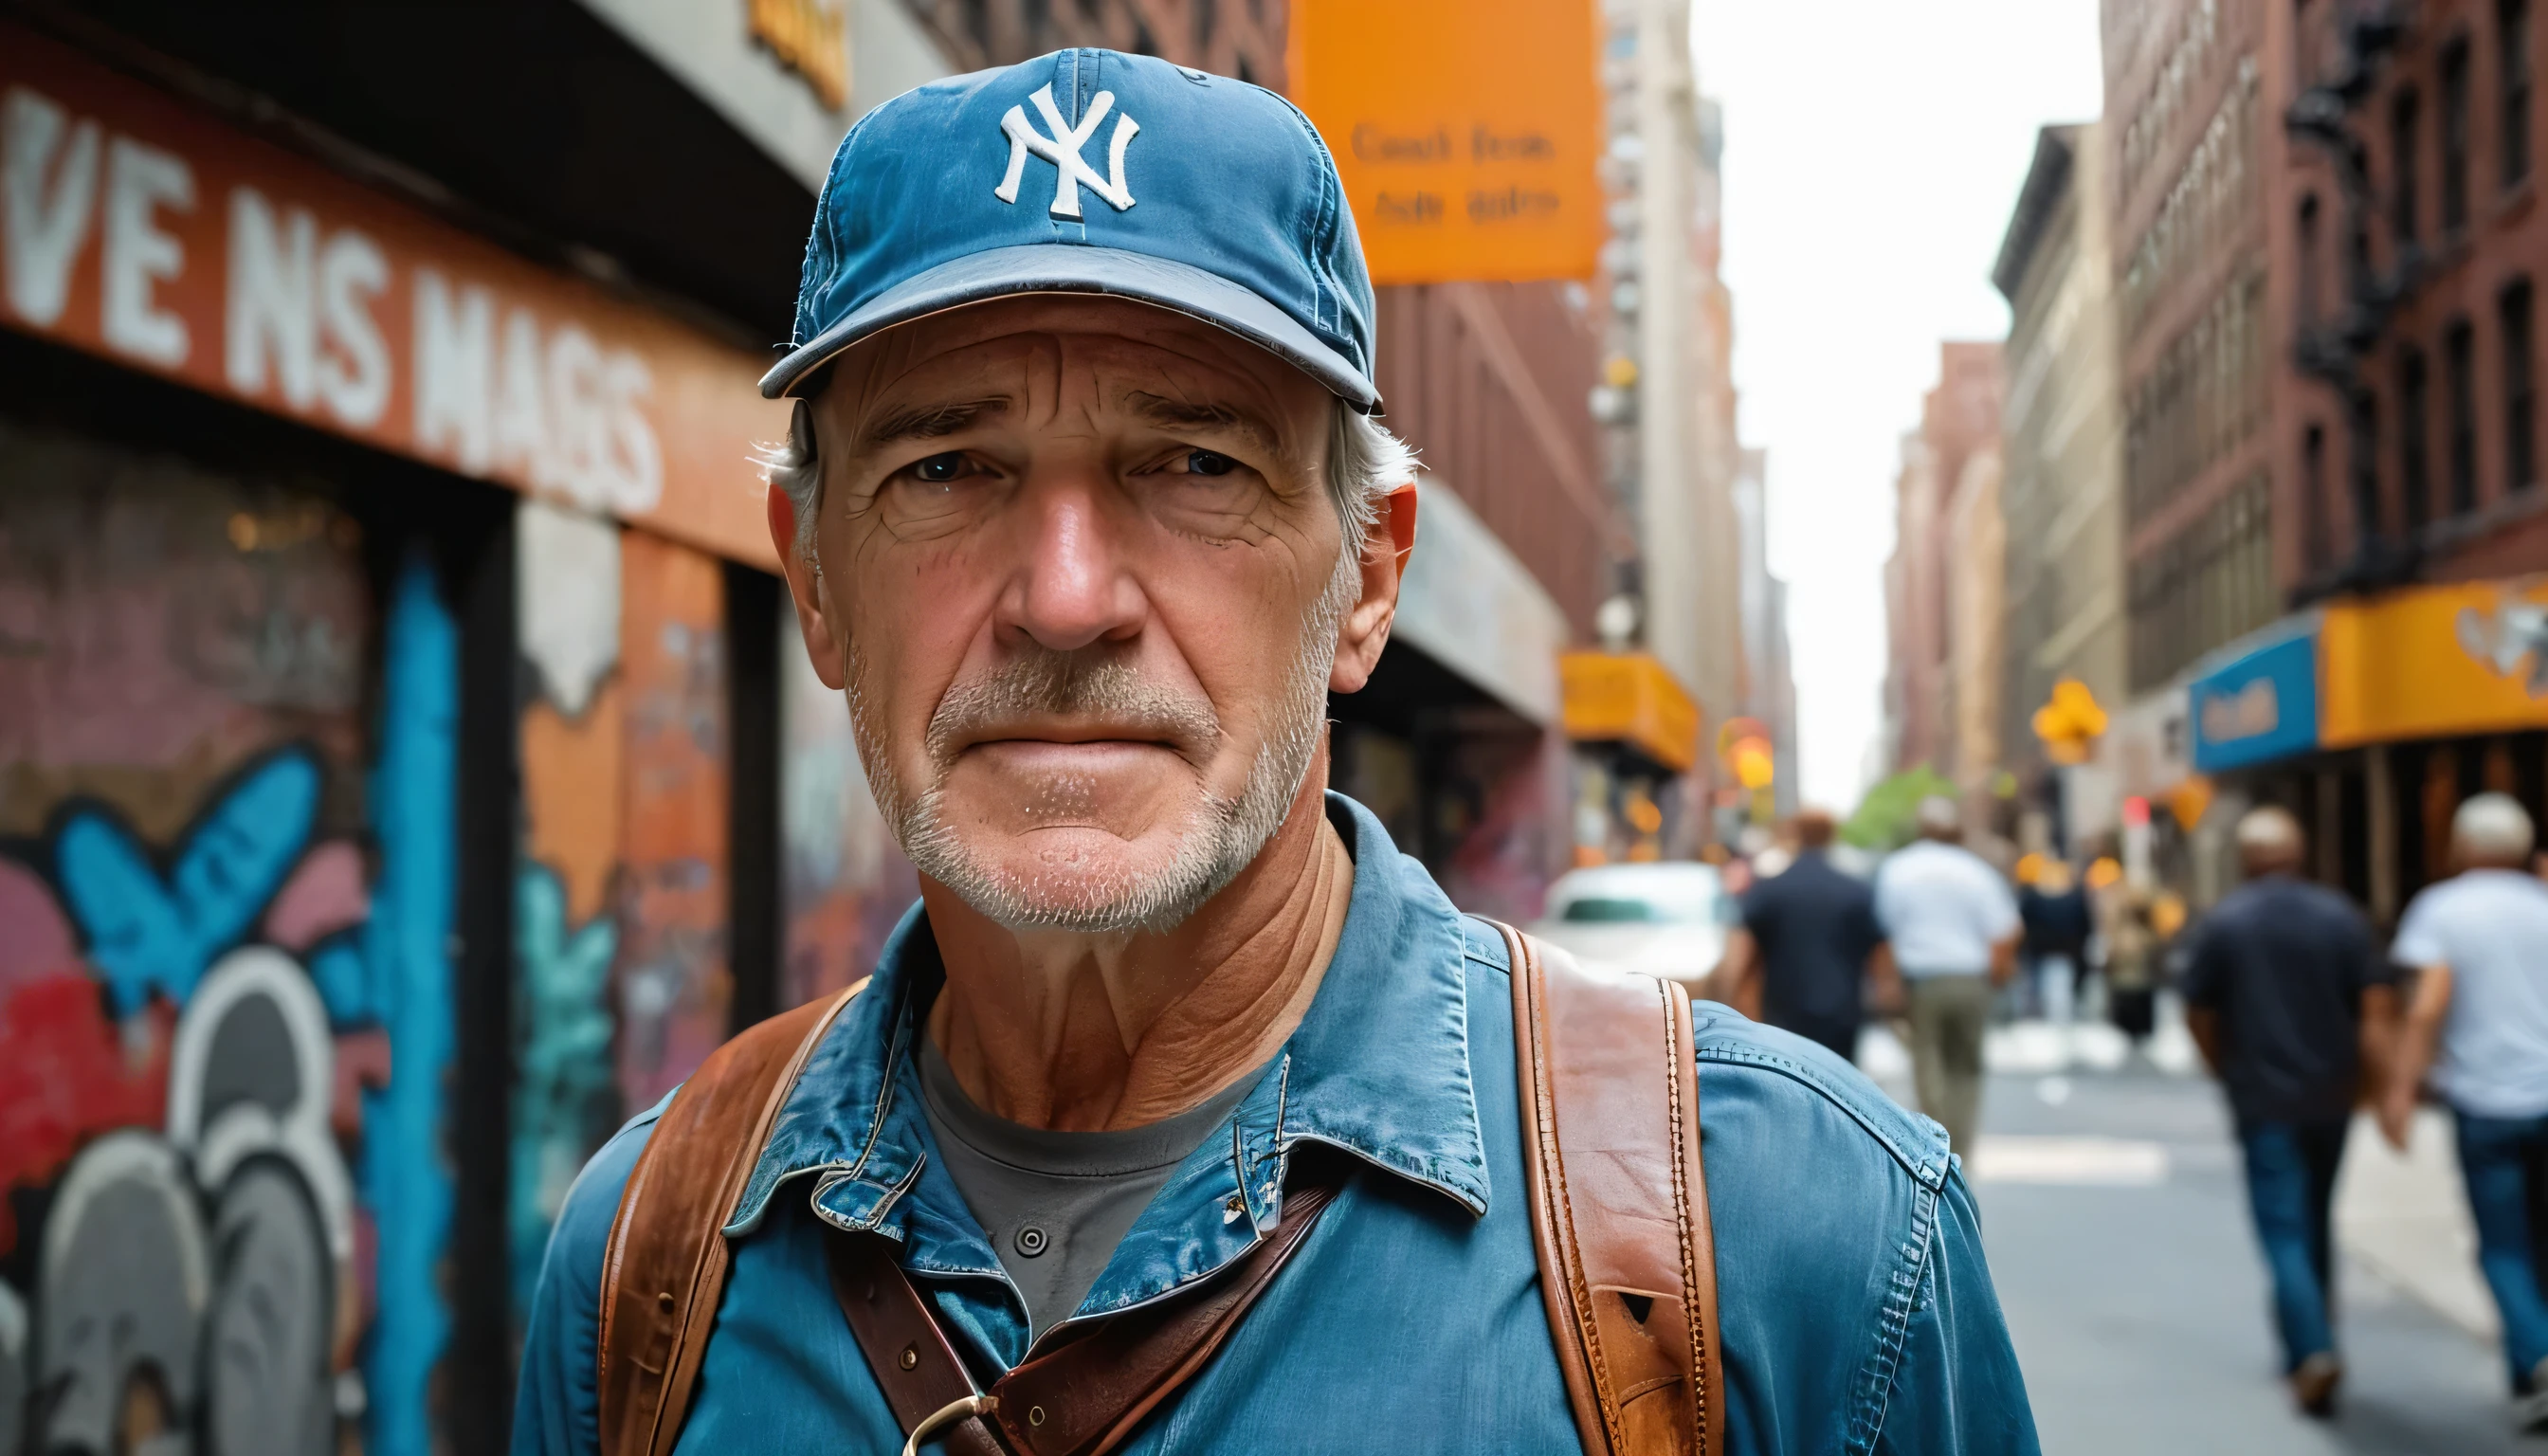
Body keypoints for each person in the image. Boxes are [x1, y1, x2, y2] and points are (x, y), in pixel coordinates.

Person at [510, 48, 2037, 1455]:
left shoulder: (1797, 1240)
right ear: (818, 577)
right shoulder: (647, 1255)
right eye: (948, 466)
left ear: (1368, 576)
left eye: (1192, 464)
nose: (1065, 601)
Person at [2178, 807, 2394, 1417]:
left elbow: (2197, 1010)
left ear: (2247, 859)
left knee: (2283, 1228)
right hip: (2331, 1096)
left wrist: (2223, 1068)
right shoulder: (2342, 917)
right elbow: (2375, 1009)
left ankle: (2312, 1347)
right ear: (2300, 853)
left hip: (2264, 1097)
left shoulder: (2226, 922)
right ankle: (2313, 1337)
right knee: (2316, 1216)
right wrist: (2379, 1088)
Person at [2383, 792, 2548, 1429]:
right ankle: (2527, 1374)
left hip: (2488, 1103)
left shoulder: (2443, 910)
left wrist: (2400, 1089)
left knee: (2502, 1246)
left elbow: (2426, 1006)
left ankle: (2536, 1355)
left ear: (2461, 846)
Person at [1873, 795, 2020, 1157]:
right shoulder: (1975, 870)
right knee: (1966, 1066)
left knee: (1927, 1061)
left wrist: (1887, 983)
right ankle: (1962, 1149)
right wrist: (1997, 975)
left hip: (1921, 978)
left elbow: (1883, 933)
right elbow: (2006, 929)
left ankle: (1934, 1149)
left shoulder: (1898, 869)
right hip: (1970, 978)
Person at [1717, 808, 1890, 1062]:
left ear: (1794, 835)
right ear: (1831, 837)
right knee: (1838, 1088)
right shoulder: (1856, 891)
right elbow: (1879, 952)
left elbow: (1742, 954)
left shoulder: (1769, 890)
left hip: (1784, 1013)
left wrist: (1732, 1002)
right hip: (1843, 1010)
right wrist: (1885, 996)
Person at [2017, 860, 2091, 1028]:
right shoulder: (2072, 899)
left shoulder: (2033, 899)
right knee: (2052, 1002)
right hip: (2053, 955)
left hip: (2051, 955)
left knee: (2046, 1002)